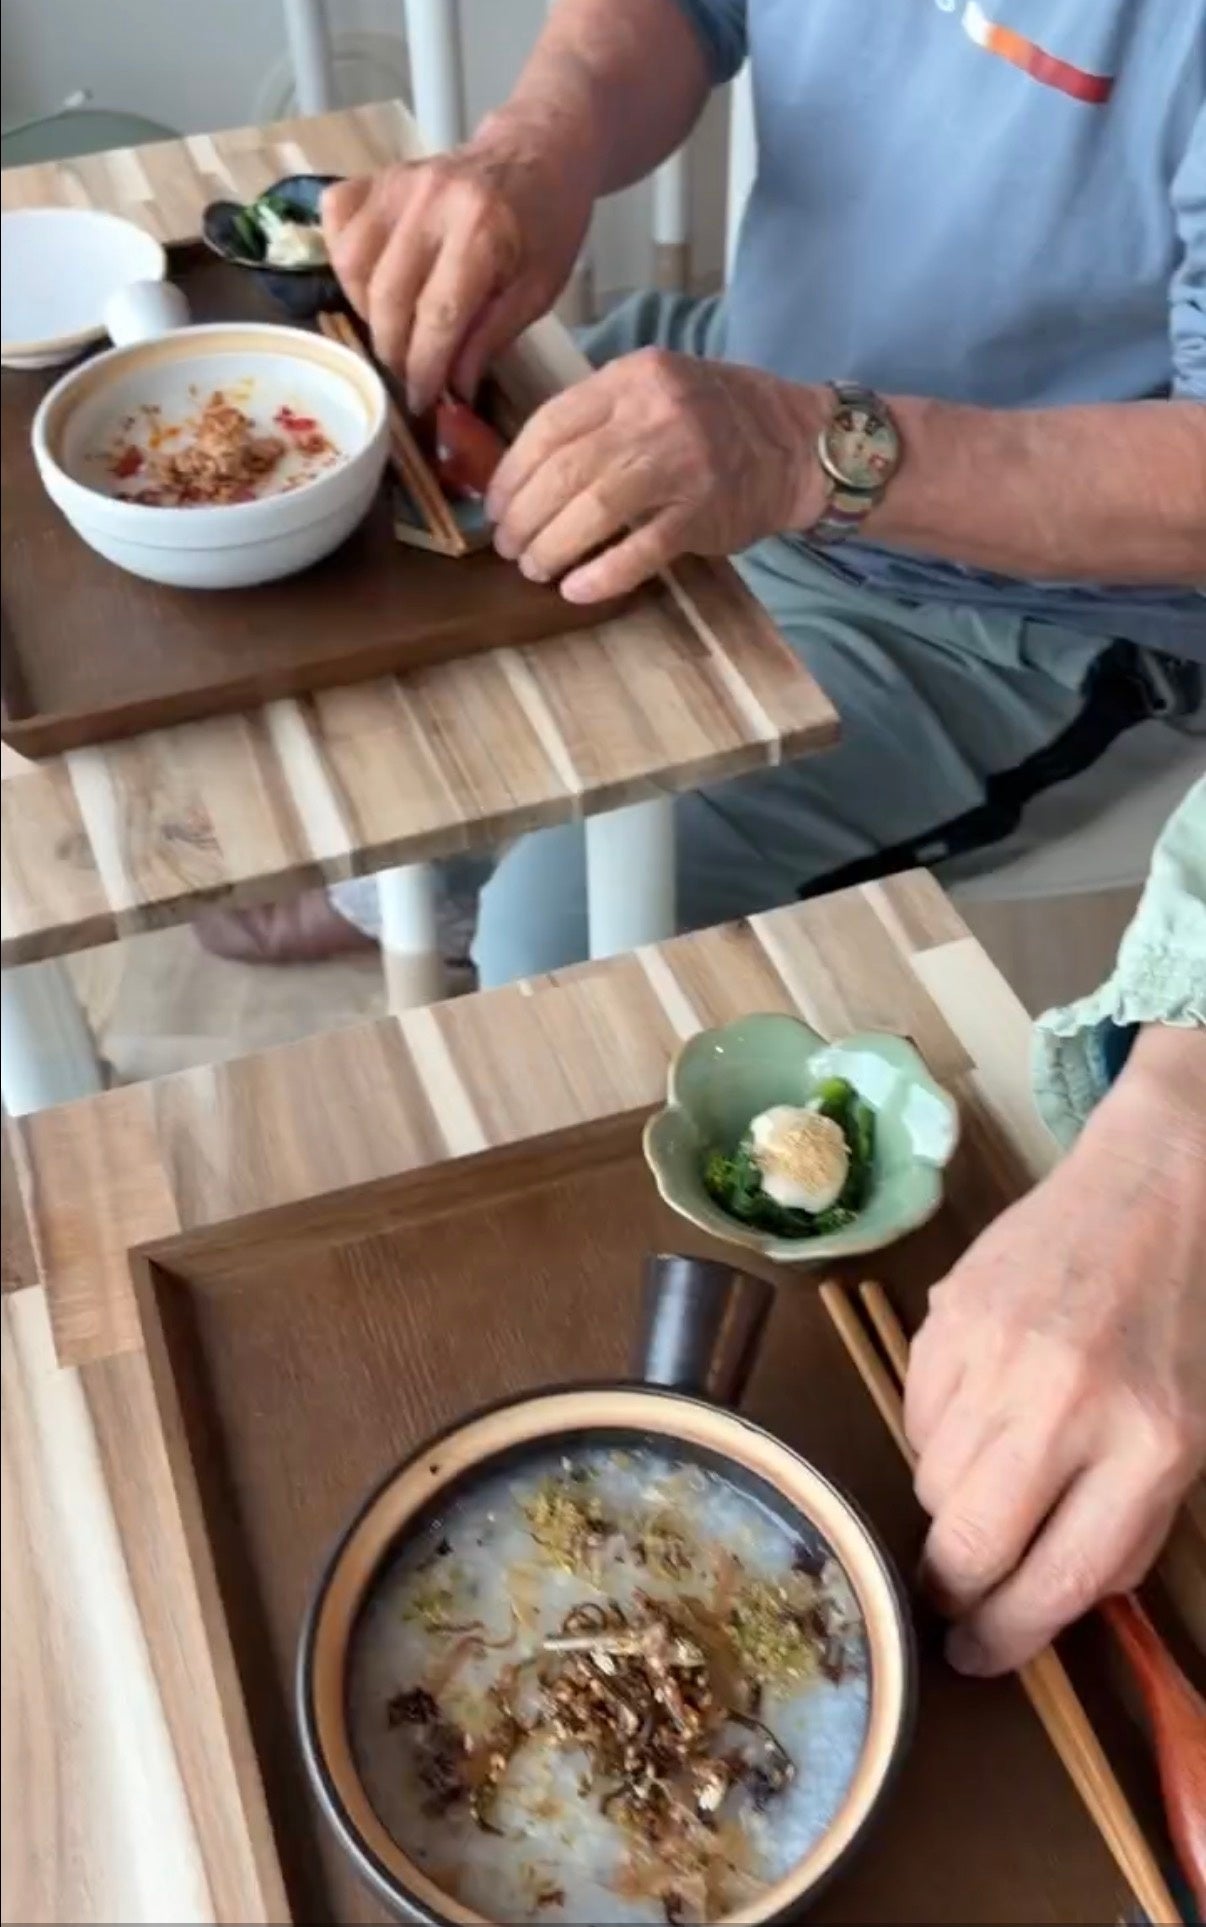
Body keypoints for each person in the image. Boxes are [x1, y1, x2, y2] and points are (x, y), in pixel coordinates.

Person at [199, 0, 1206, 972]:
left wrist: (790, 449)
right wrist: (536, 147)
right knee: (367, 503)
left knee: (559, 937)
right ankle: (422, 874)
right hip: (748, 369)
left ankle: (445, 883)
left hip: (1019, 609)